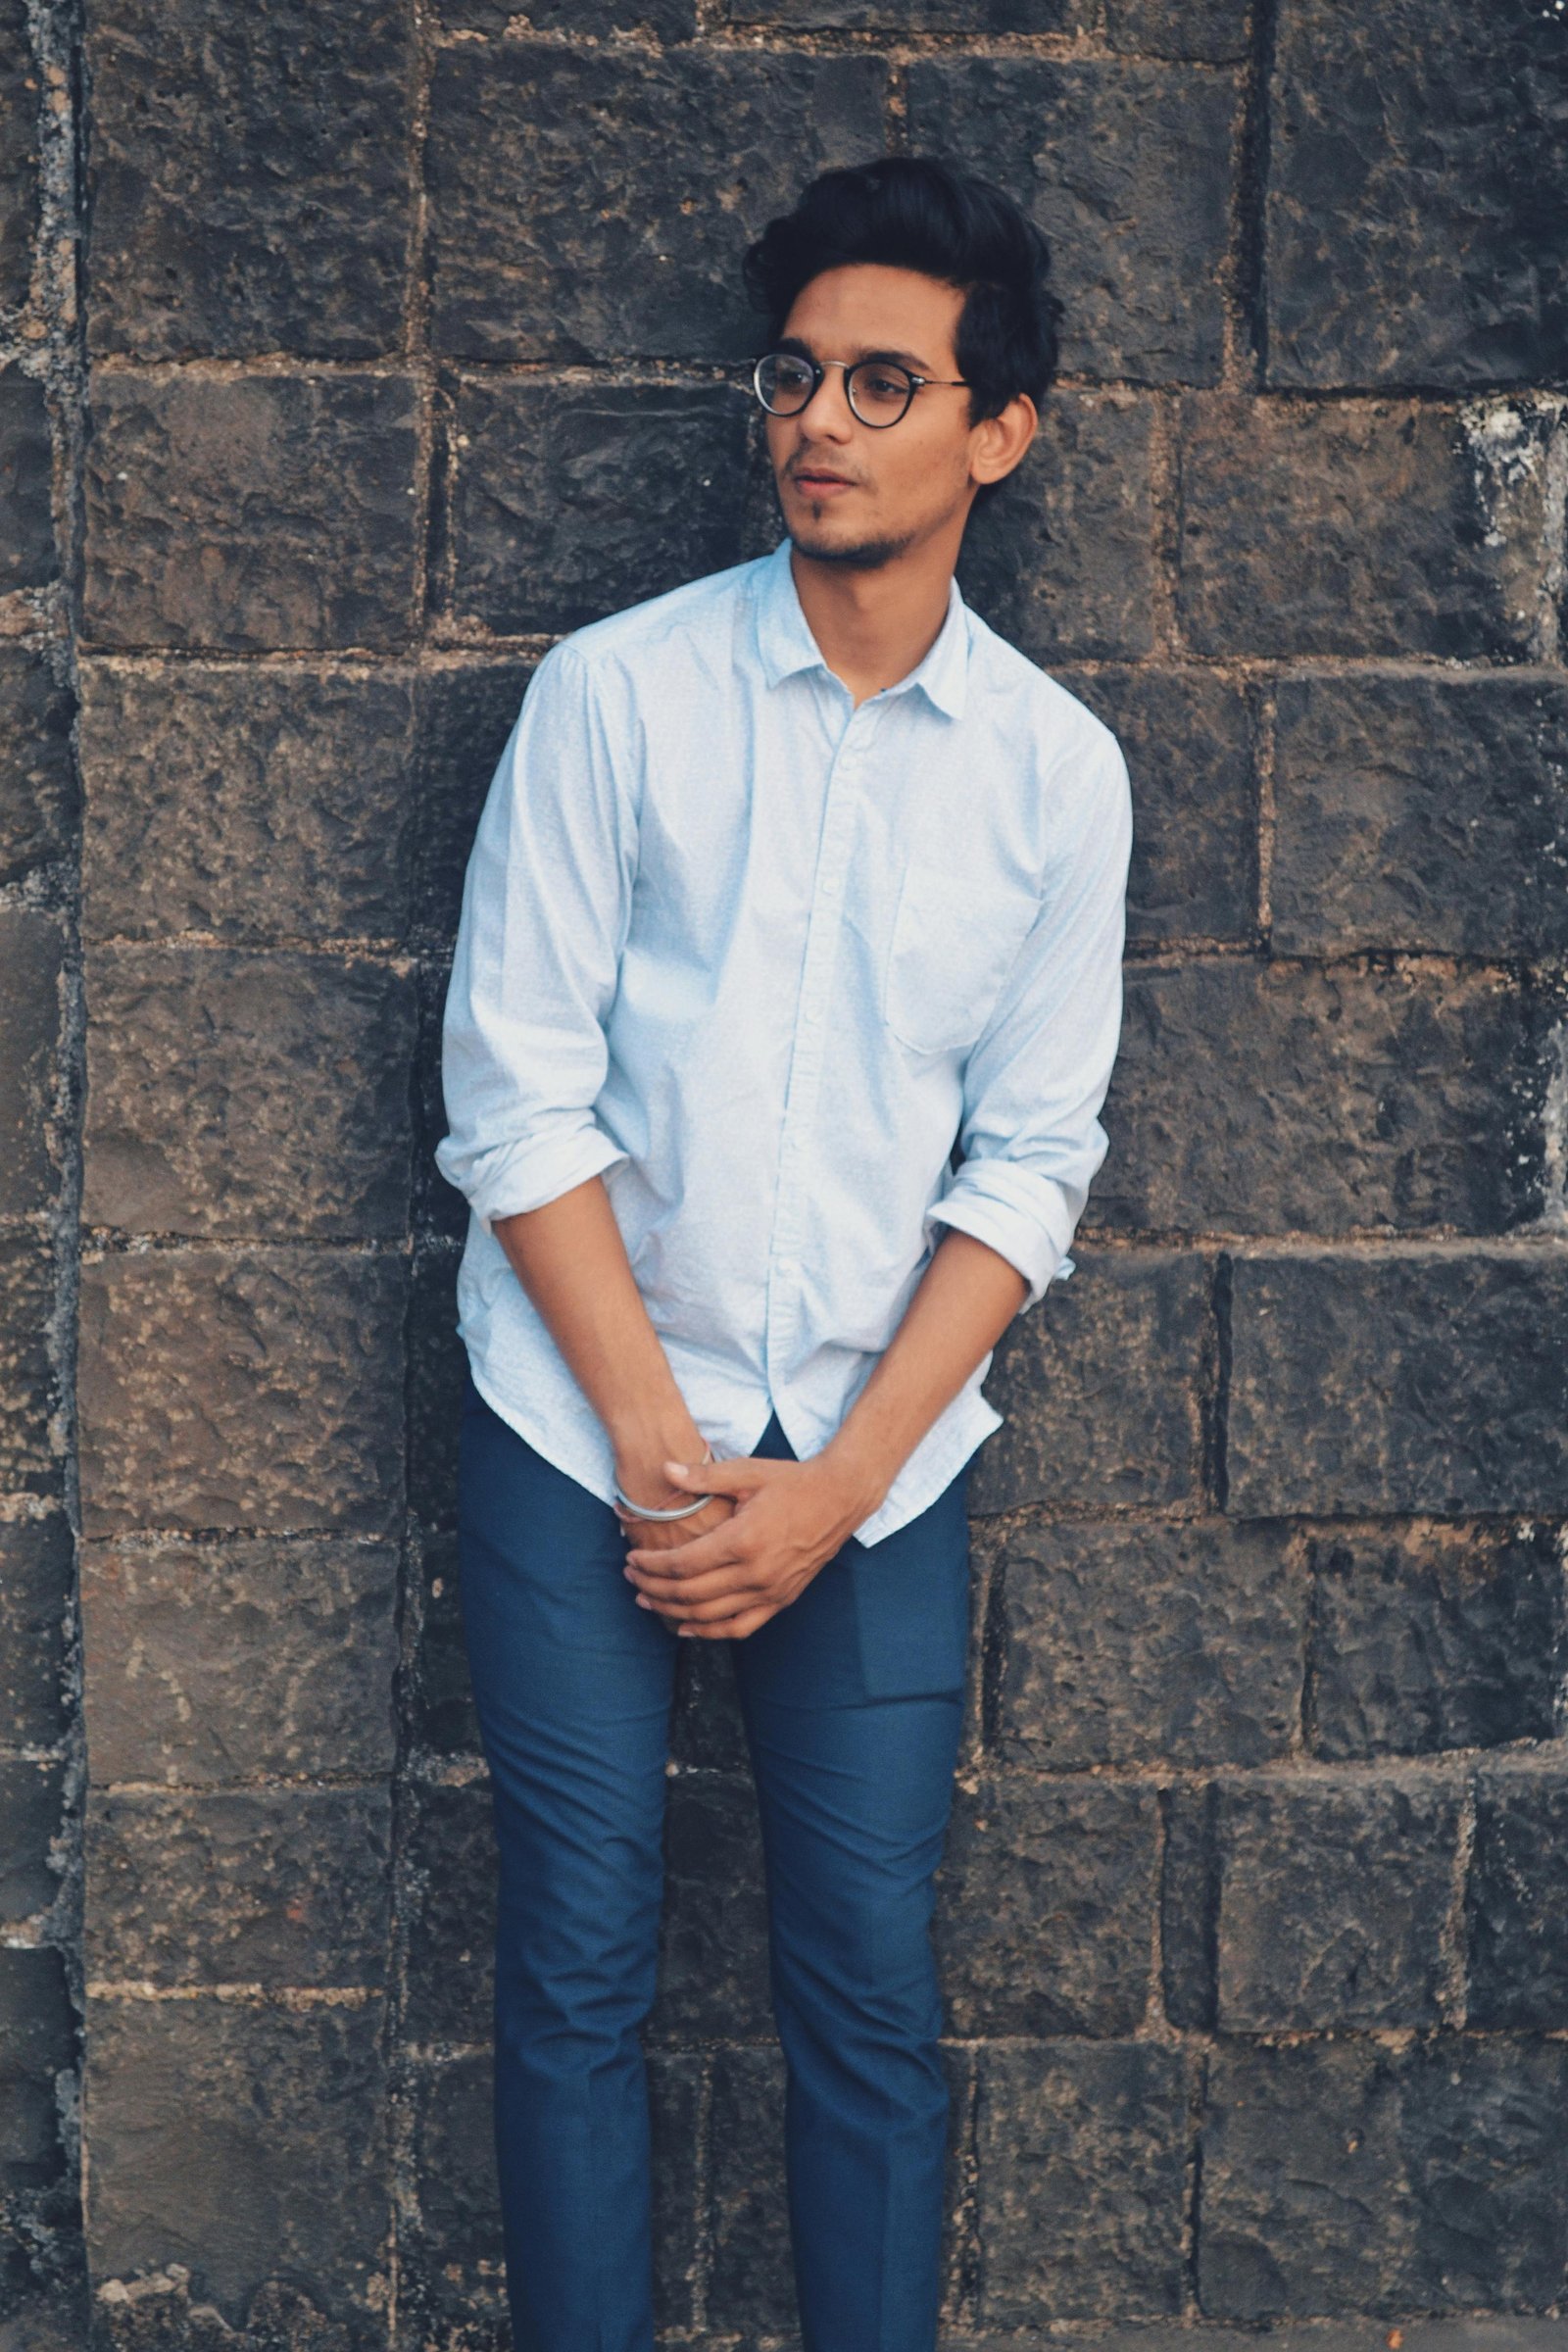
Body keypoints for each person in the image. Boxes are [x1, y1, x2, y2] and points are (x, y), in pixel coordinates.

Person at [435, 152, 1133, 2352]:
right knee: (574, 1970)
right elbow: (514, 1095)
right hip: (579, 1426)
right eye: (796, 373)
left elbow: (1028, 1164)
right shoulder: (615, 696)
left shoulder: (1056, 778)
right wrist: (658, 1454)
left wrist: (831, 1489)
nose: (817, 418)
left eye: (882, 382)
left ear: (997, 434)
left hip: (871, 1461)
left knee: (868, 1988)